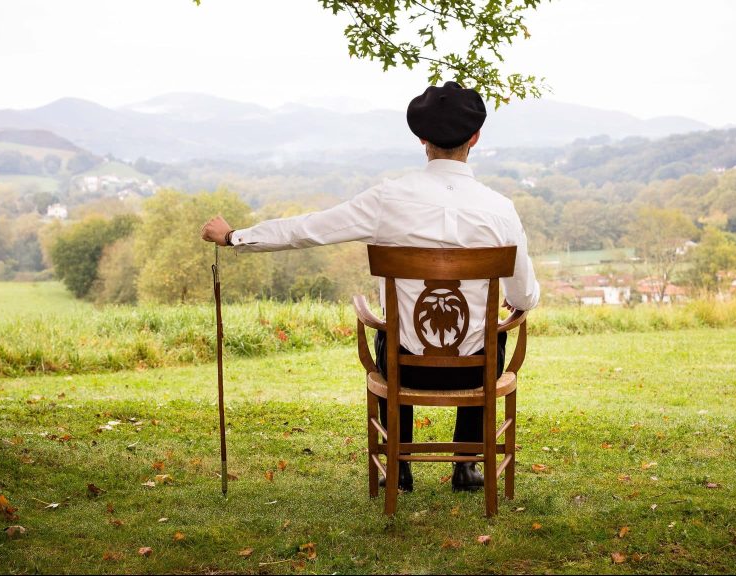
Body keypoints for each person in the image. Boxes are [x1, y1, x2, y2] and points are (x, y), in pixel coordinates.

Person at [201, 81, 540, 492]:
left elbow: (309, 229)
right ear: (476, 137)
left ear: (421, 138)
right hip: (477, 370)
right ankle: (466, 465)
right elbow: (523, 298)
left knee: (390, 331)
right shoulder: (500, 210)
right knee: (486, 336)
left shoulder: (388, 199)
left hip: (404, 365)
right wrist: (512, 303)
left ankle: (399, 467)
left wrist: (235, 235)